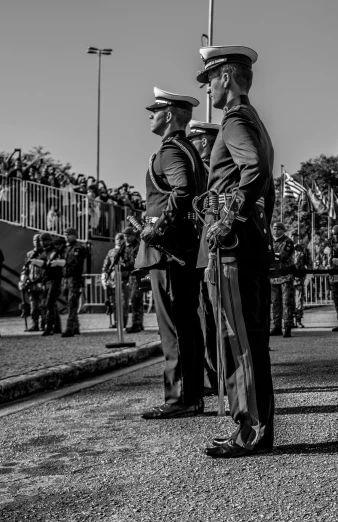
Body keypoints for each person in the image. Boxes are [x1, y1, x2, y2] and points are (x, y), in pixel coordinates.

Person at [198, 45, 275, 458]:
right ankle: (258, 428)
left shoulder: (235, 120)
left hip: (232, 248)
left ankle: (249, 431)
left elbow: (256, 171)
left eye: (209, 78)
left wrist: (229, 216)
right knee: (249, 341)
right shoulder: (252, 120)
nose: (207, 87)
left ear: (226, 78)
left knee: (238, 341)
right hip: (246, 246)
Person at [138, 87, 206, 420]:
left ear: (167, 115)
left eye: (154, 111)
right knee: (186, 322)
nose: (150, 116)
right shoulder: (188, 148)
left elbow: (184, 189)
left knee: (175, 325)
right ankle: (190, 394)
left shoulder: (170, 151)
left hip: (170, 249)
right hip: (184, 246)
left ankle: (182, 397)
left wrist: (159, 226)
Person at [187, 120, 221, 393]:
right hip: (203, 252)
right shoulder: (209, 171)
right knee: (206, 317)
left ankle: (215, 375)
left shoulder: (208, 173)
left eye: (194, 139)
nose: (191, 144)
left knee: (209, 318)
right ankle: (215, 373)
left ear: (205, 142)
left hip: (206, 252)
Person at [61, 227, 88, 337]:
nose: (66, 237)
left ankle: (70, 328)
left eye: (69, 235)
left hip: (75, 278)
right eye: (65, 235)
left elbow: (75, 263)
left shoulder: (79, 248)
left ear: (75, 235)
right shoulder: (65, 248)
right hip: (66, 278)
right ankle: (75, 326)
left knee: (72, 303)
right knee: (69, 303)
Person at [270, 222, 295, 338]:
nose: (276, 231)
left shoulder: (288, 241)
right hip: (274, 277)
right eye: (274, 229)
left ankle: (287, 327)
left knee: (287, 303)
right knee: (275, 303)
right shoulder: (269, 241)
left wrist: (271, 255)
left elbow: (283, 255)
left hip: (285, 277)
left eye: (278, 229)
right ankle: (277, 326)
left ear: (283, 231)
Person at [37, 233, 65, 336]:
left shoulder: (54, 251)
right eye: (40, 241)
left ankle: (49, 327)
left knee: (49, 304)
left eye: (44, 240)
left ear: (49, 240)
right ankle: (57, 326)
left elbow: (50, 265)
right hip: (47, 281)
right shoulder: (43, 252)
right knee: (51, 304)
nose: (42, 242)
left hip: (55, 280)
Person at [19, 234, 44, 332]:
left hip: (42, 283)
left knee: (43, 306)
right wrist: (23, 281)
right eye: (34, 240)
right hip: (32, 284)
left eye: (38, 240)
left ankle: (43, 324)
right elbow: (26, 269)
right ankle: (35, 324)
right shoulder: (29, 254)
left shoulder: (45, 253)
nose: (36, 242)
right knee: (33, 306)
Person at [101, 233, 126, 329]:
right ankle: (116, 322)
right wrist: (104, 274)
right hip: (112, 279)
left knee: (122, 303)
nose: (119, 240)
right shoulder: (111, 252)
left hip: (123, 278)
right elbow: (106, 264)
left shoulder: (126, 250)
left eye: (121, 238)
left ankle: (123, 322)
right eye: (117, 239)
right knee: (114, 302)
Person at [122, 227, 144, 333]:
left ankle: (137, 323)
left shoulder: (137, 246)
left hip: (138, 275)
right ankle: (139, 322)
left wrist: (124, 265)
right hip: (131, 276)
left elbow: (135, 262)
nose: (126, 238)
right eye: (125, 236)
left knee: (136, 299)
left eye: (128, 236)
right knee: (135, 299)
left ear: (134, 236)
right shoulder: (125, 247)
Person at [291, 233, 311, 328]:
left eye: (294, 236)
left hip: (299, 279)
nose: (292, 238)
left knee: (298, 301)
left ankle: (298, 320)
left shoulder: (302, 250)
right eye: (291, 236)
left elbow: (309, 264)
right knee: (288, 301)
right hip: (287, 280)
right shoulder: (285, 249)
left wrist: (308, 278)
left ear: (297, 238)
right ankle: (289, 320)